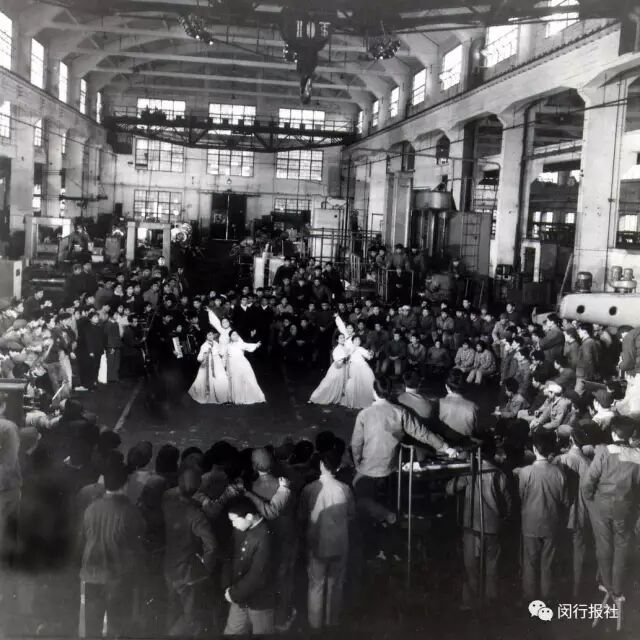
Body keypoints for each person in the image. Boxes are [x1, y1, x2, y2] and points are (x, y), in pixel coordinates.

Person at [350, 378, 455, 523]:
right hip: (391, 466)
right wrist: (445, 447)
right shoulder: (400, 412)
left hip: (369, 467)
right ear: (390, 392)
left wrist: (358, 464)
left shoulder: (364, 414)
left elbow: (356, 445)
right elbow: (422, 433)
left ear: (374, 392)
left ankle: (383, 515)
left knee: (356, 493)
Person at [79, 460, 146, 639]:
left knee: (92, 628)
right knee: (118, 628)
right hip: (118, 577)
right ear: (125, 484)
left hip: (92, 574)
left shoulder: (91, 508)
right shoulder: (130, 512)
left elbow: (84, 538)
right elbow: (138, 546)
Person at [446, 437, 511, 609]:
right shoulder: (499, 474)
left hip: (472, 527)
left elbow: (450, 489)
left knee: (471, 568)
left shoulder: (470, 473)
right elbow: (507, 502)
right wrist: (504, 517)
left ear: (477, 455)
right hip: (493, 527)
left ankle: (470, 602)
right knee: (492, 566)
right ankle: (491, 601)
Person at [582, 416, 640, 606]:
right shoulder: (638, 456)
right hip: (625, 508)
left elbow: (589, 481)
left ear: (614, 433)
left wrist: (590, 499)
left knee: (604, 545)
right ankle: (618, 588)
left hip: (602, 506)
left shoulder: (604, 452)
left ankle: (606, 584)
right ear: (631, 435)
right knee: (622, 546)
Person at [298, 449, 355, 629]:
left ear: (321, 465)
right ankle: (333, 623)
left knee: (316, 585)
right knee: (335, 585)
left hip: (316, 544)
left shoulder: (309, 489)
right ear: (338, 466)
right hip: (339, 543)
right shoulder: (345, 489)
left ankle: (315, 626)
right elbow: (351, 515)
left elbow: (301, 516)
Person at [163, 467, 218, 636]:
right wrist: (206, 568)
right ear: (198, 487)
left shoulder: (165, 502)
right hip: (187, 571)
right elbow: (211, 545)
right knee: (190, 615)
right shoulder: (196, 514)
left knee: (170, 608)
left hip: (168, 567)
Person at [517, 429, 570, 602]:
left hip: (530, 523)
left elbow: (521, 496)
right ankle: (547, 598)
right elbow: (565, 501)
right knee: (548, 564)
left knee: (530, 563)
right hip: (551, 523)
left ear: (534, 448)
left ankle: (529, 598)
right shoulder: (559, 472)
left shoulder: (525, 472)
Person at [223, 497, 275, 635]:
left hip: (259, 602)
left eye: (235, 520)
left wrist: (234, 593)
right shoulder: (242, 529)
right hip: (240, 598)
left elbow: (258, 575)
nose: (233, 524)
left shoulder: (265, 536)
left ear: (249, 516)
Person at [554, 427, 591, 599]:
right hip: (583, 513)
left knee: (561, 549)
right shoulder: (589, 461)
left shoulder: (564, 459)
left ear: (571, 440)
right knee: (579, 551)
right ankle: (577, 590)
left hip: (565, 512)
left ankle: (560, 587)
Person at [0, 393, 21, 570]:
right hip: (6, 486)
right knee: (8, 522)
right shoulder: (8, 427)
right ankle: (7, 561)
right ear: (3, 406)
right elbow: (10, 460)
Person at [188, 331, 230, 404]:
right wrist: (204, 356)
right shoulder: (204, 346)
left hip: (217, 363)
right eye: (209, 335)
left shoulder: (216, 343)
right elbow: (199, 358)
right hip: (209, 364)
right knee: (210, 380)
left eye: (212, 334)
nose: (211, 336)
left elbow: (220, 352)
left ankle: (223, 397)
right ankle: (216, 396)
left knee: (221, 378)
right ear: (206, 336)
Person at [438, 369, 479, 441]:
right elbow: (475, 429)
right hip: (466, 442)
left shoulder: (439, 402)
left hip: (446, 441)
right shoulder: (473, 406)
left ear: (446, 386)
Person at [309, 334, 349, 405]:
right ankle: (314, 397)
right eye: (340, 338)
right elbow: (336, 359)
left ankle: (336, 397)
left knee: (339, 384)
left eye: (343, 338)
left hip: (343, 368)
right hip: (336, 368)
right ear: (337, 340)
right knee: (328, 383)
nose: (342, 339)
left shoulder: (345, 347)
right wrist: (344, 357)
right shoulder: (336, 349)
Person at [226, 331, 265, 405]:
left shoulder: (241, 343)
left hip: (242, 363)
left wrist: (256, 345)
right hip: (233, 364)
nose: (235, 336)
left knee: (248, 379)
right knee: (236, 380)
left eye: (237, 334)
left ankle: (255, 396)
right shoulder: (228, 346)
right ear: (230, 337)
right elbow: (227, 356)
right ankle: (238, 398)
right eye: (233, 335)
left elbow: (248, 346)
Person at [341, 335, 376, 410]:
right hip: (354, 365)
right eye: (356, 340)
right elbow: (346, 357)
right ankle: (352, 400)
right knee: (354, 380)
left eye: (359, 340)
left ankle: (367, 397)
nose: (357, 341)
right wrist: (352, 350)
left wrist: (371, 353)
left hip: (363, 365)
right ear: (353, 341)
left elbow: (368, 357)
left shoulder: (361, 348)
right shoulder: (349, 348)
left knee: (368, 376)